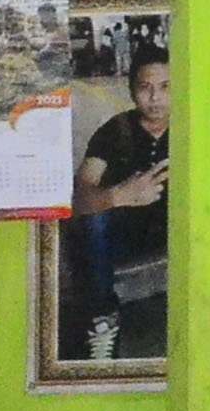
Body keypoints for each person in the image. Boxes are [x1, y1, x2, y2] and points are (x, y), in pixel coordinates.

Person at [67, 46, 172, 363]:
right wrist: (121, 196)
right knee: (93, 219)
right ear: (131, 91)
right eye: (145, 87)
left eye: (165, 87)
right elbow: (77, 197)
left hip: (182, 230)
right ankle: (103, 322)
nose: (154, 98)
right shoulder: (115, 131)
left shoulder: (195, 128)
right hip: (127, 236)